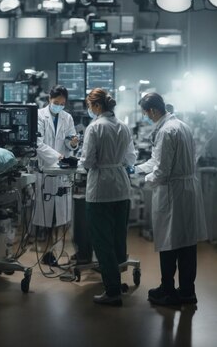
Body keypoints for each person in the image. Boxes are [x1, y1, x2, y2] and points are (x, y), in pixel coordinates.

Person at [135, 92, 207, 306]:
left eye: (146, 113)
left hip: (172, 192)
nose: (146, 117)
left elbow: (162, 171)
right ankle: (187, 292)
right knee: (186, 244)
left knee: (169, 244)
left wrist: (142, 181)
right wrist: (137, 168)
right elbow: (158, 161)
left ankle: (167, 290)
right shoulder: (181, 126)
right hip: (186, 190)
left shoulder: (166, 131)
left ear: (154, 111)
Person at [80, 88, 137, 306]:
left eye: (89, 105)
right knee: (117, 238)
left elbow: (87, 162)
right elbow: (130, 157)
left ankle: (112, 291)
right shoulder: (123, 126)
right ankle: (117, 282)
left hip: (101, 189)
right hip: (121, 187)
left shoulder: (94, 127)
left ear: (96, 106)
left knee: (102, 241)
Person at [33, 85, 78, 264]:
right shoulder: (38, 116)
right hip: (45, 169)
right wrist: (56, 155)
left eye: (62, 103)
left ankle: (54, 250)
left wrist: (73, 143)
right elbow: (37, 143)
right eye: (56, 102)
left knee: (60, 215)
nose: (59, 105)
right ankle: (46, 250)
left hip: (61, 171)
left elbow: (70, 141)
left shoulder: (67, 117)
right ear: (49, 100)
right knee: (46, 215)